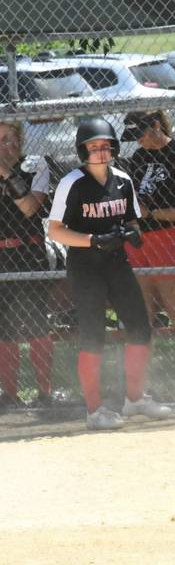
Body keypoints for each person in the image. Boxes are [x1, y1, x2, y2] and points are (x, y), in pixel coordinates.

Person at [47, 117, 170, 430]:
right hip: (86, 268)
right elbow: (56, 230)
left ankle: (135, 398)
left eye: (106, 146)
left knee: (140, 327)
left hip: (117, 264)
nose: (101, 152)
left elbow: (131, 220)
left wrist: (131, 233)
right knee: (93, 337)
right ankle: (94, 411)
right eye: (93, 147)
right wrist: (92, 240)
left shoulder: (122, 179)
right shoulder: (72, 183)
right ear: (82, 151)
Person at [121, 111, 175, 382]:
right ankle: (139, 389)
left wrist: (151, 212)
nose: (139, 142)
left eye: (141, 134)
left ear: (156, 126)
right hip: (140, 243)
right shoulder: (139, 157)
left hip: (171, 241)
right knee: (140, 323)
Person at [0, 121, 54, 407]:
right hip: (1, 256)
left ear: (20, 140)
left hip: (29, 252)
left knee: (35, 323)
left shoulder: (36, 164)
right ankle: (9, 395)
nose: (4, 146)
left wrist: (7, 173)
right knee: (4, 328)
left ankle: (45, 393)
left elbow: (30, 206)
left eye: (9, 139)